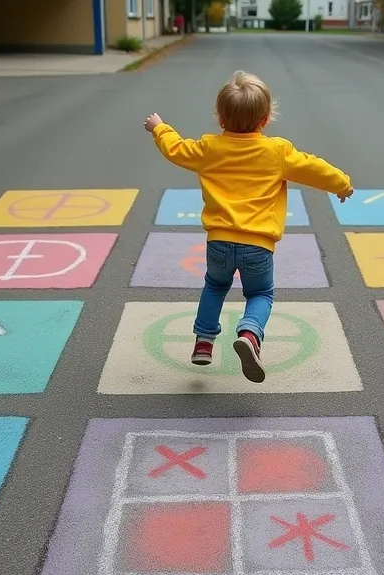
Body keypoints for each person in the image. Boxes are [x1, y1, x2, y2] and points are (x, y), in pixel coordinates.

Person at [142, 70, 353, 383]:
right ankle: (250, 334)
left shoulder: (210, 148)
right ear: (265, 119)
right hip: (258, 246)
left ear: (220, 118)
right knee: (261, 294)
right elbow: (314, 167)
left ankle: (203, 342)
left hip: (219, 243)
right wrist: (342, 184)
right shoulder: (277, 152)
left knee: (215, 286)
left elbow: (177, 149)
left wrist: (159, 128)